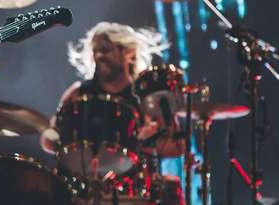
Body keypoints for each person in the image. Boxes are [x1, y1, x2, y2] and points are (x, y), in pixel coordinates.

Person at [40, 21, 185, 161]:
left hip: (131, 182)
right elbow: (49, 139)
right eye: (95, 51)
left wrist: (147, 142)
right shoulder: (78, 93)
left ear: (129, 52)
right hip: (83, 180)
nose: (99, 56)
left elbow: (177, 147)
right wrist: (53, 139)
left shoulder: (147, 98)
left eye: (105, 50)